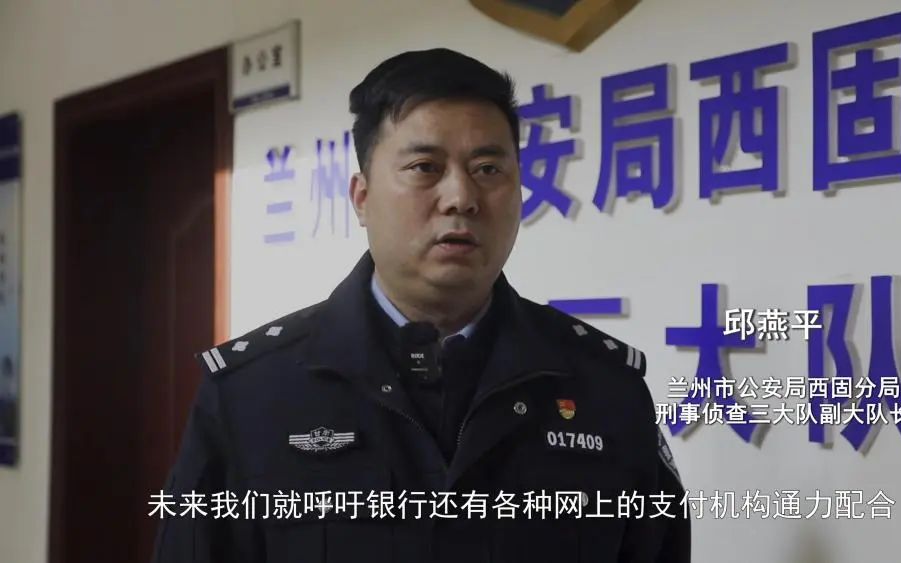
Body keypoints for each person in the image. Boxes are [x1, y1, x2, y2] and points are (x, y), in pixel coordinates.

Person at [152, 47, 689, 563]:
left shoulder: (605, 388)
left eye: (488, 169)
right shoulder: (248, 395)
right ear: (362, 198)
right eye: (425, 167)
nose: (461, 197)